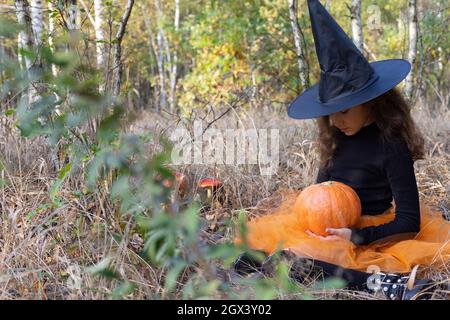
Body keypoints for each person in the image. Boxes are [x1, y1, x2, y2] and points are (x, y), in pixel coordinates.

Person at [232, 0, 448, 300]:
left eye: (344, 110)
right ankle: (302, 265)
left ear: (370, 101)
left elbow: (409, 222)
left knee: (303, 264)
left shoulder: (392, 145)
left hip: (373, 234)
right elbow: (321, 194)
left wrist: (357, 237)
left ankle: (382, 283)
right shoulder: (336, 137)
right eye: (330, 113)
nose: (335, 121)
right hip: (331, 229)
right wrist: (313, 226)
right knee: (258, 253)